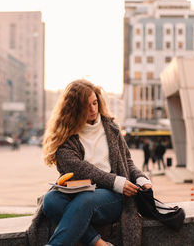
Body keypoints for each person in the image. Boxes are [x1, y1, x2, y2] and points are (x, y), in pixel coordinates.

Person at [26, 79, 152, 246]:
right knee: (51, 201)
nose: (93, 109)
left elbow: (127, 161)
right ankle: (99, 243)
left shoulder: (111, 129)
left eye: (95, 103)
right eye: (87, 106)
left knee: (86, 201)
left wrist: (141, 178)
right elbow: (80, 169)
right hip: (81, 191)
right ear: (74, 109)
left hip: (112, 197)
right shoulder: (65, 137)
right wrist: (116, 181)